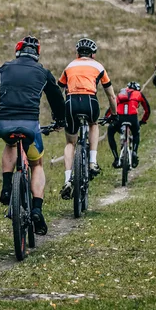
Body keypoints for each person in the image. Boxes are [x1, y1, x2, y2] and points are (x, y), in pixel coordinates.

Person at [0, 36, 65, 236]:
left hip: (5, 124)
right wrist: (60, 121)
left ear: (17, 51)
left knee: (10, 145)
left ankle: (7, 187)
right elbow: (56, 98)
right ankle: (37, 208)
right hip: (30, 126)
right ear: (37, 54)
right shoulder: (43, 72)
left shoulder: (4, 69)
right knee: (37, 164)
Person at [58, 38, 117, 200]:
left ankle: (67, 180)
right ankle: (92, 162)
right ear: (93, 54)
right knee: (94, 124)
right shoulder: (98, 66)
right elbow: (111, 95)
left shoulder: (69, 66)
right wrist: (114, 113)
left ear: (77, 53)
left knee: (70, 142)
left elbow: (58, 91)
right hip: (90, 102)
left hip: (70, 103)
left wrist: (57, 114)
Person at [106, 82, 150, 169]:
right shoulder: (139, 94)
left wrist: (107, 117)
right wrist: (143, 120)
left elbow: (112, 107)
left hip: (119, 118)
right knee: (136, 133)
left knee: (110, 132)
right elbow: (147, 110)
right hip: (132, 118)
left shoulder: (121, 94)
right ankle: (134, 152)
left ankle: (116, 157)